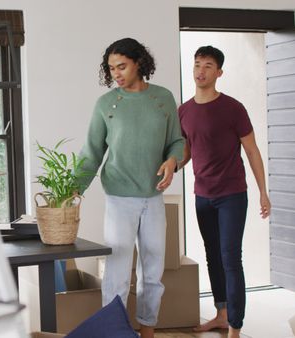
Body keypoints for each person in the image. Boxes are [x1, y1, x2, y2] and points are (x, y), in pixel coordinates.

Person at [78, 37, 184, 338]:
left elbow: (177, 140)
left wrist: (172, 162)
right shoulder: (106, 104)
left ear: (139, 62)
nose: (117, 74)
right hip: (119, 198)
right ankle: (114, 332)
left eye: (122, 66)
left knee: (153, 272)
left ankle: (147, 330)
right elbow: (91, 152)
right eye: (111, 69)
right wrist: (72, 191)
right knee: (117, 274)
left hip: (153, 197)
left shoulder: (163, 98)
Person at [178, 45, 271, 338]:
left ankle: (236, 326)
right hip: (202, 195)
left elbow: (252, 151)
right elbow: (186, 153)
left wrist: (263, 193)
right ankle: (221, 313)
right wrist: (169, 169)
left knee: (230, 257)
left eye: (207, 66)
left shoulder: (233, 108)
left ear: (218, 72)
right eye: (196, 65)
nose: (200, 71)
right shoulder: (184, 111)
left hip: (231, 195)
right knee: (212, 256)